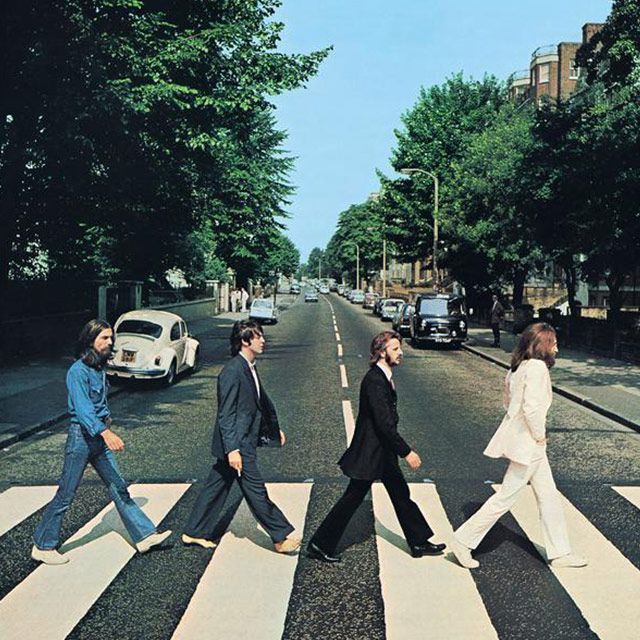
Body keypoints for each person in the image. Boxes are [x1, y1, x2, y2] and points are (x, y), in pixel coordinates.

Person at [32, 320, 172, 565]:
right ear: (90, 341)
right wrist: (106, 433)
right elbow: (84, 410)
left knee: (119, 487)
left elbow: (98, 405)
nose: (110, 342)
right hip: (82, 438)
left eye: (111, 338)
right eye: (104, 338)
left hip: (97, 437)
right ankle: (43, 545)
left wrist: (107, 421)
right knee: (66, 494)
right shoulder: (77, 371)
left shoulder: (98, 368)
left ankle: (145, 536)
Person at [449, 322, 587, 570]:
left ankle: (560, 553)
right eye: (553, 342)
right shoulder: (537, 368)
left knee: (548, 497)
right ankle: (463, 540)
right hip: (530, 445)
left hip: (527, 443)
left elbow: (508, 404)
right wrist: (539, 436)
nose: (556, 347)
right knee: (505, 498)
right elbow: (532, 409)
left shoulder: (517, 368)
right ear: (543, 345)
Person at [307, 330, 445, 563]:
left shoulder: (384, 377)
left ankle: (418, 541)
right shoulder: (374, 381)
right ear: (381, 353)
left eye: (399, 348)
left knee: (401, 494)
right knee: (352, 498)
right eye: (394, 349)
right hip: (371, 453)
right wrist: (407, 452)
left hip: (382, 453)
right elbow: (384, 425)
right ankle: (320, 544)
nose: (400, 353)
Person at [182, 320, 300, 554]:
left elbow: (256, 406)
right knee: (256, 491)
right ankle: (280, 536)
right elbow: (226, 414)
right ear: (245, 341)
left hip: (242, 439)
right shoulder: (233, 371)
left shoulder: (248, 366)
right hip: (238, 443)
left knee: (216, 486)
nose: (263, 340)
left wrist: (273, 431)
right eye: (258, 337)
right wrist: (232, 449)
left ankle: (193, 532)